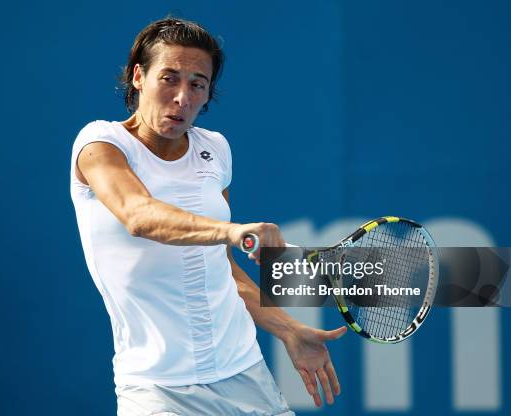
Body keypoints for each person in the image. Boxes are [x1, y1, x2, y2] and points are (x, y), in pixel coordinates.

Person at [70, 17, 346, 415]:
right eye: (169, 78)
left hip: (243, 373)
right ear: (138, 77)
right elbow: (139, 215)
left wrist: (288, 329)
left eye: (197, 84)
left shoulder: (214, 149)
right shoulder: (100, 142)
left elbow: (222, 269)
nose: (183, 96)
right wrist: (232, 231)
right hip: (157, 389)